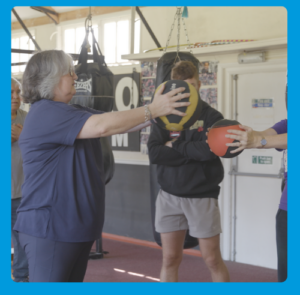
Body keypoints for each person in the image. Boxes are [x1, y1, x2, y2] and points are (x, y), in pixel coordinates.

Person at [13, 50, 191, 283]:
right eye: (70, 72)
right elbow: (102, 127)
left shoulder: (72, 111)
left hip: (75, 228)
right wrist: (154, 109)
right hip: (51, 228)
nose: (75, 77)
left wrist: (164, 108)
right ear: (52, 78)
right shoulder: (46, 113)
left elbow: (120, 123)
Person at [147, 61, 230, 282]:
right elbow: (155, 153)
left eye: (192, 85)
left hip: (201, 195)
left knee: (212, 259)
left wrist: (174, 146)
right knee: (170, 259)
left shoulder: (212, 116)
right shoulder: (163, 116)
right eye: (182, 87)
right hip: (169, 196)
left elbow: (210, 151)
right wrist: (193, 150)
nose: (187, 92)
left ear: (200, 84)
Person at [225, 120, 287, 282]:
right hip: (287, 207)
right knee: (287, 272)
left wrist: (258, 141)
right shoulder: (289, 122)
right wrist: (245, 137)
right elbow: (262, 136)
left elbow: (262, 140)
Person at [11, 77, 29, 282]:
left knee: (23, 238)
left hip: (22, 193)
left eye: (18, 91)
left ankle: (21, 276)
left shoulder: (28, 119)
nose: (16, 96)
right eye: (10, 93)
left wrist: (24, 137)